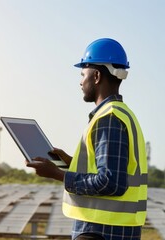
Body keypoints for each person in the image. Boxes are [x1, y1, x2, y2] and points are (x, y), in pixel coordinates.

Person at [27, 38, 148, 240]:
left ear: (97, 76)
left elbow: (111, 182)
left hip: (101, 231)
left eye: (83, 74)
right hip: (110, 229)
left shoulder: (108, 118)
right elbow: (111, 169)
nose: (81, 81)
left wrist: (58, 174)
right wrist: (70, 162)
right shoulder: (122, 114)